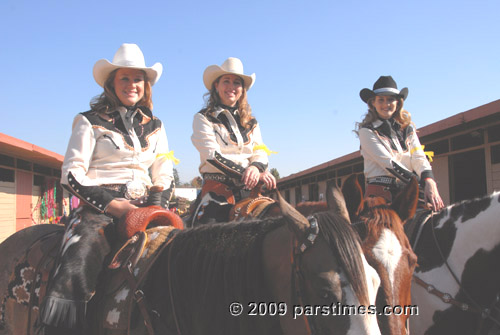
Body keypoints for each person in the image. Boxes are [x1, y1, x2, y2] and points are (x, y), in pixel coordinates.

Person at [39, 43, 175, 333]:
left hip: (147, 206)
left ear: (145, 85)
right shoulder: (89, 121)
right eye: (124, 78)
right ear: (111, 83)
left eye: (137, 79)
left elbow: (163, 168)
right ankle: (60, 327)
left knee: (185, 250)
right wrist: (114, 206)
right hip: (100, 208)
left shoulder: (156, 126)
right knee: (80, 258)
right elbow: (71, 174)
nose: (131, 85)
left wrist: (157, 203)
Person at [190, 57, 276, 225]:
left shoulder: (251, 122)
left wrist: (255, 167)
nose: (231, 87)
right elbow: (211, 156)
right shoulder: (203, 118)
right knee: (208, 231)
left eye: (237, 83)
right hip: (217, 190)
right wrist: (248, 174)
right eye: (226, 81)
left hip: (250, 191)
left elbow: (260, 151)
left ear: (242, 89)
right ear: (217, 85)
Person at [356, 75, 444, 211]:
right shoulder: (367, 131)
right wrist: (419, 185)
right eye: (381, 100)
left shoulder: (408, 129)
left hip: (409, 189)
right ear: (373, 103)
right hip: (380, 195)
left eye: (390, 99)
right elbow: (389, 164)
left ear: (397, 103)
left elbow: (419, 157)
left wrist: (429, 181)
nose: (386, 104)